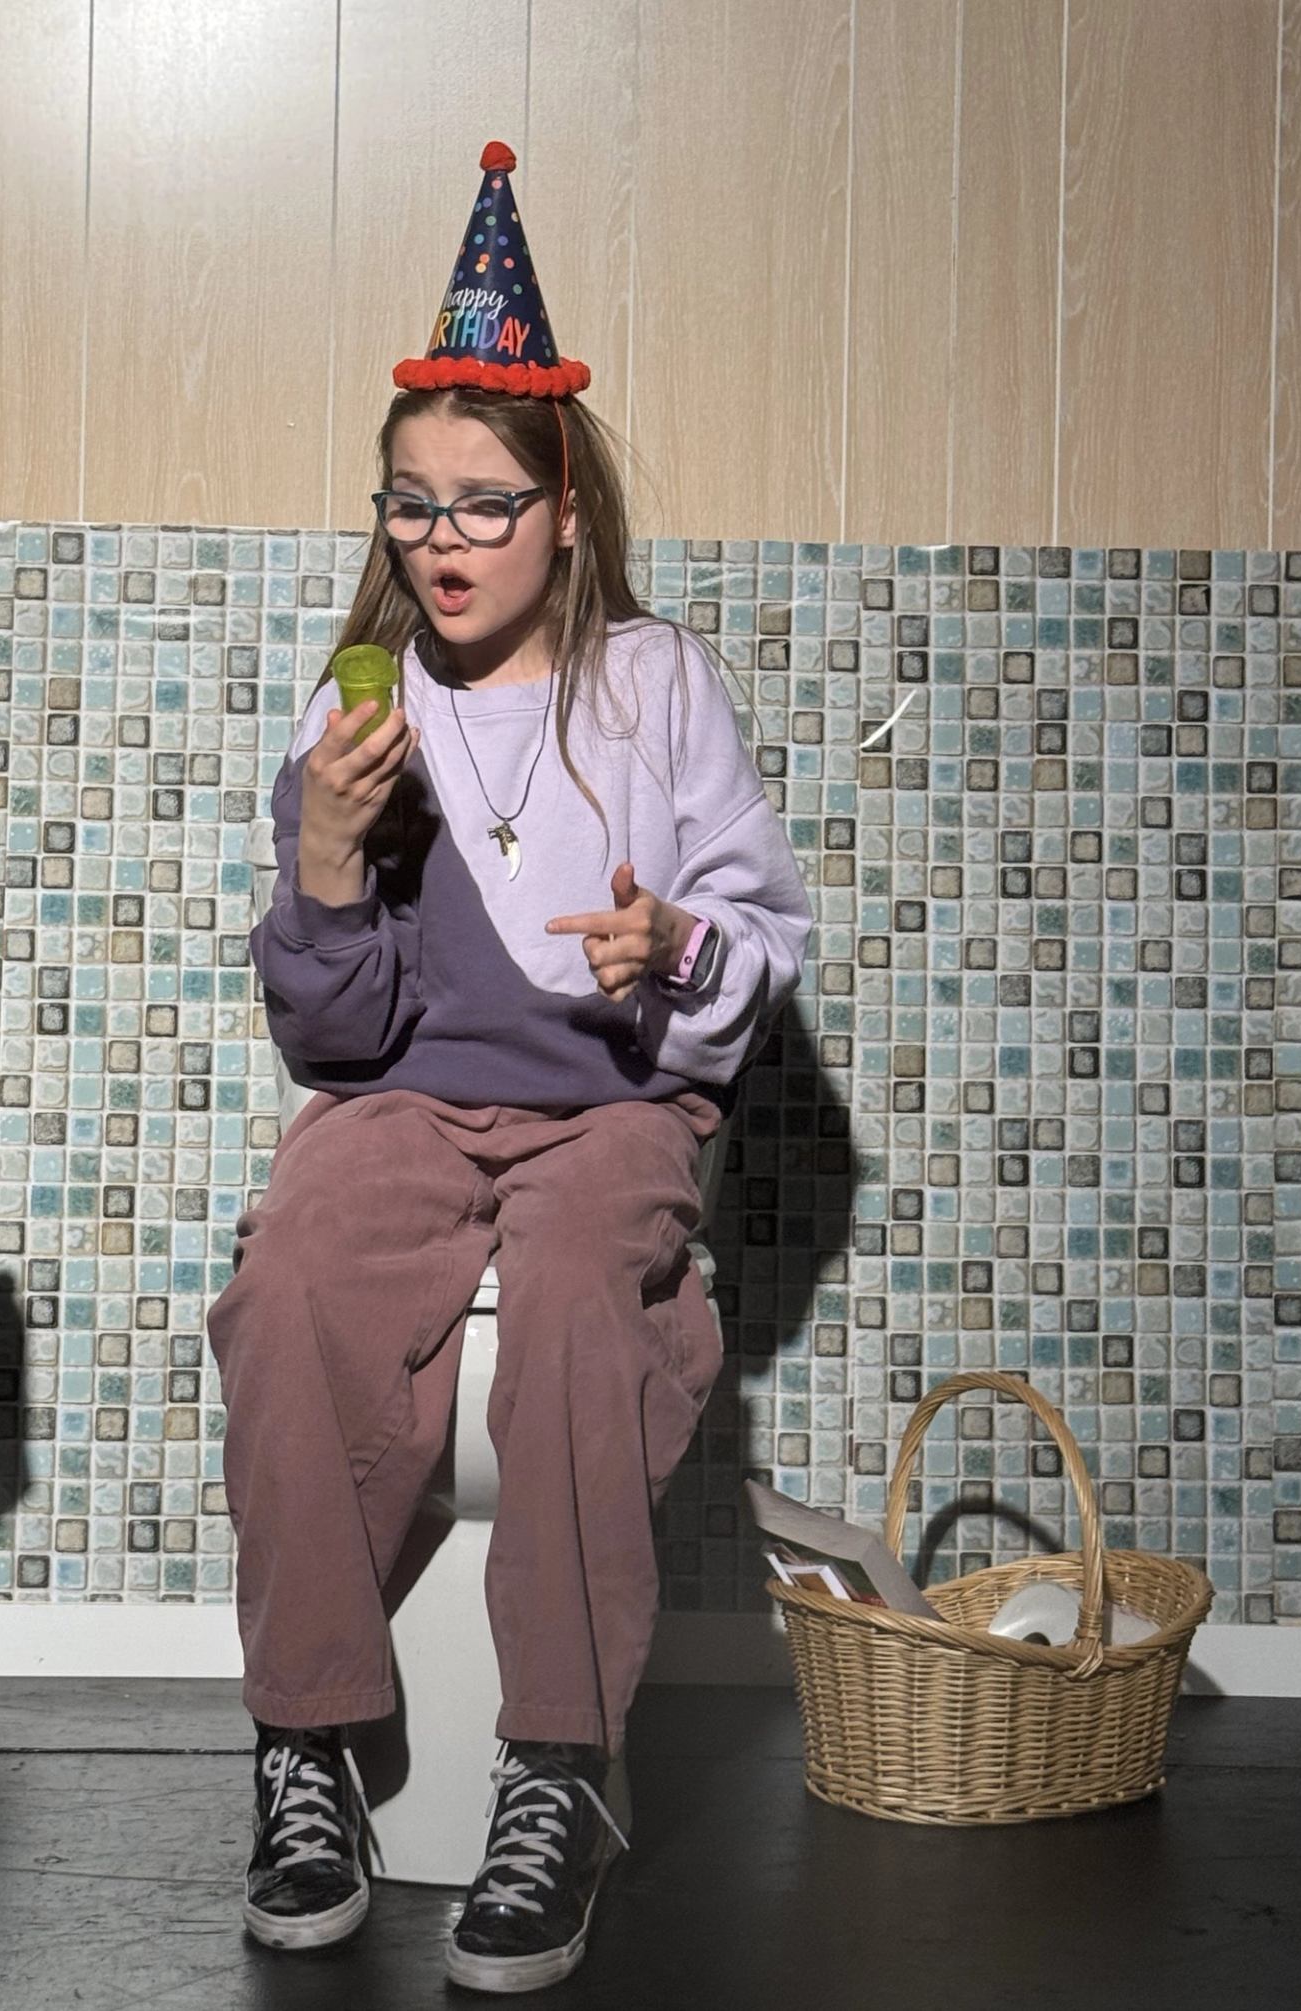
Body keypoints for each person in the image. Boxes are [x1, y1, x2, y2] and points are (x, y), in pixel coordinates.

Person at [204, 140, 812, 1995]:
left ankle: (557, 1767)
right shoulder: (355, 706)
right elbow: (336, 1036)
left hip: (614, 1104)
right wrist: (319, 865)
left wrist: (673, 954)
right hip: (402, 1100)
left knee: (567, 1303)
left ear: (563, 510)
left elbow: (758, 932)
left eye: (481, 504)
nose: (440, 540)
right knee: (291, 1271)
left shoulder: (654, 686)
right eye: (409, 504)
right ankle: (306, 1742)